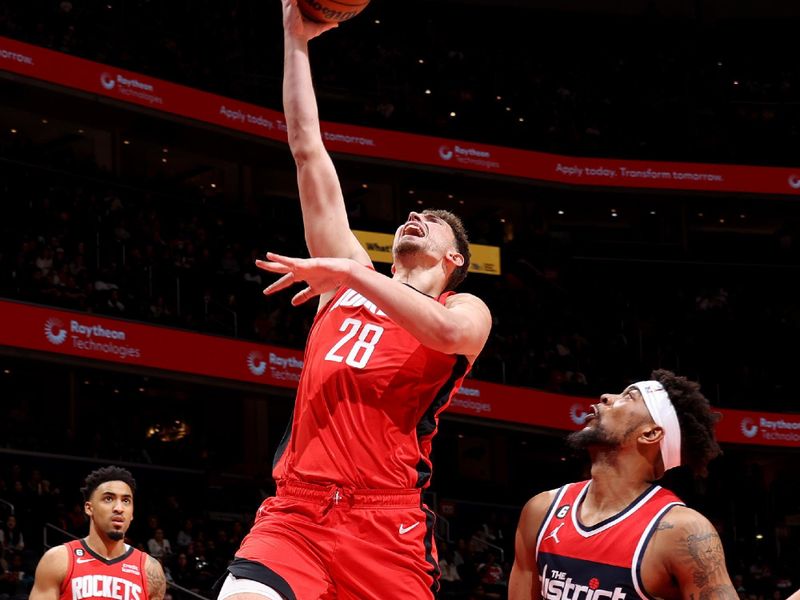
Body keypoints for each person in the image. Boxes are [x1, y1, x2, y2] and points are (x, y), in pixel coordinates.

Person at [217, 2, 492, 599]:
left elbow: (447, 339)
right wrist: (295, 39)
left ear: (454, 262)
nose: (416, 216)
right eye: (413, 213)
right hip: (296, 513)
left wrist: (349, 269)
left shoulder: (463, 311)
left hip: (386, 523)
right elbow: (307, 147)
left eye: (434, 221)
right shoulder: (348, 281)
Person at [509, 370, 736, 600]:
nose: (606, 396)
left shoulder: (680, 530)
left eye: (630, 397)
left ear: (650, 433)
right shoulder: (541, 510)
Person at [28, 466, 166, 600]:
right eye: (108, 499)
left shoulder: (150, 569)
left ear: (132, 513)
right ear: (89, 508)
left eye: (126, 501)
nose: (119, 508)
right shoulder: (58, 560)